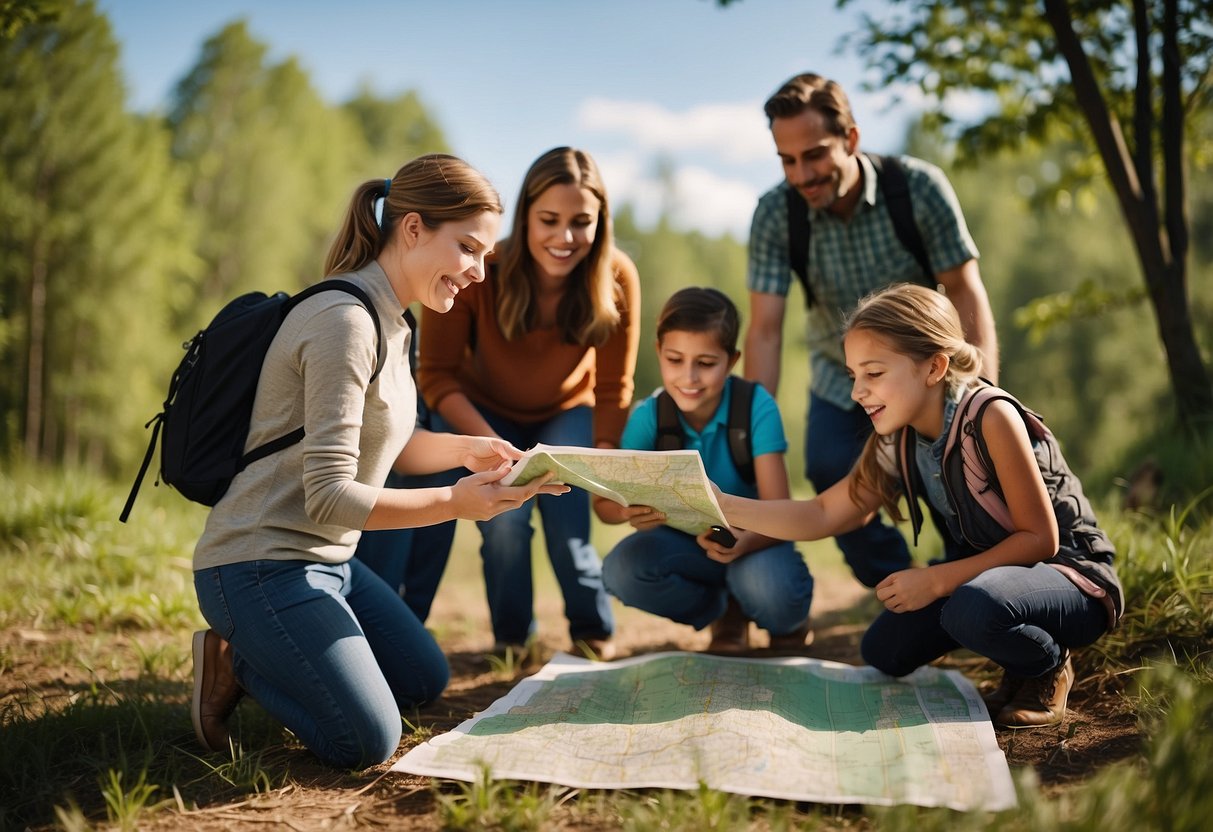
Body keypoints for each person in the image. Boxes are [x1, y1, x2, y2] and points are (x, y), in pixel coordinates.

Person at [189, 154, 568, 769]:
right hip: (260, 563)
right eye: (467, 249)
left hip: (330, 563)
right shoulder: (344, 322)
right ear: (413, 229)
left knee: (423, 679)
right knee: (366, 740)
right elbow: (330, 497)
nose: (476, 273)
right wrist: (455, 503)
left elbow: (395, 446)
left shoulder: (396, 321)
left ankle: (278, 652)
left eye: (484, 256)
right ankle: (236, 661)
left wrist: (472, 450)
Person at [716, 284, 1122, 728]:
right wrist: (724, 505)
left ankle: (1047, 664)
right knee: (884, 651)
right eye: (853, 375)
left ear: (934, 367)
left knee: (971, 608)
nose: (857, 392)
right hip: (991, 580)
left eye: (873, 373)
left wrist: (935, 580)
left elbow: (1041, 540)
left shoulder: (990, 415)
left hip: (1074, 578)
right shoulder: (898, 437)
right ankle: (1016, 662)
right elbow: (822, 513)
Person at [744, 72, 999, 588]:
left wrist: (980, 394)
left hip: (928, 377)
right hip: (839, 381)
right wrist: (749, 426)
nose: (801, 174)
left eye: (814, 155)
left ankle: (965, 583)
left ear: (851, 139)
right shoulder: (775, 215)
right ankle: (898, 587)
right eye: (787, 161)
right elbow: (766, 330)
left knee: (959, 486)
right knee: (830, 472)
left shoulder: (919, 189)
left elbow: (965, 289)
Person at [418, 147, 641, 661]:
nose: (564, 238)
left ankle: (592, 632)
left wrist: (603, 458)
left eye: (581, 222)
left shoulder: (616, 275)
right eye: (549, 220)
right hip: (484, 411)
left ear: (600, 221)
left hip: (568, 410)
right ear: (525, 214)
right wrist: (484, 443)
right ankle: (513, 641)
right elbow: (438, 375)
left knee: (568, 518)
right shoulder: (480, 268)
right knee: (507, 521)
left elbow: (612, 389)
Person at [599, 287, 814, 652]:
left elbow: (783, 511)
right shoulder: (648, 417)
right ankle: (722, 611)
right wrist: (625, 511)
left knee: (770, 590)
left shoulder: (755, 407)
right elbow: (603, 507)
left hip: (756, 543)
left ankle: (785, 619)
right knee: (622, 569)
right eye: (675, 359)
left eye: (706, 363)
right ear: (658, 353)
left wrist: (746, 542)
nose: (689, 377)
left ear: (732, 361)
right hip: (687, 548)